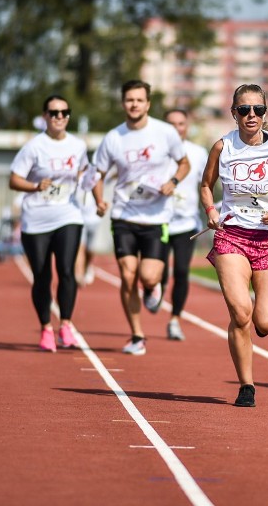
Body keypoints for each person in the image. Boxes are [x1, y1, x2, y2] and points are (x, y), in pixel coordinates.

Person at [199, 83, 268, 407]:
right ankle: (246, 385)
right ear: (234, 113)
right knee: (240, 312)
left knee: (266, 323)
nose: (251, 115)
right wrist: (211, 210)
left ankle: (256, 327)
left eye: (257, 110)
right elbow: (206, 184)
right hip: (232, 235)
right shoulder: (222, 147)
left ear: (264, 113)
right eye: (244, 110)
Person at [92, 80, 190, 356]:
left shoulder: (165, 132)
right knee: (127, 274)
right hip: (124, 214)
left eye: (139, 100)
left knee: (147, 276)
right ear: (123, 103)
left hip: (156, 216)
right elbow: (96, 173)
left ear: (147, 104)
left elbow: (184, 163)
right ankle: (137, 335)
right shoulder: (113, 138)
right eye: (129, 100)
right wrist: (99, 199)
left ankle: (152, 287)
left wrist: (173, 181)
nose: (134, 104)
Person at [9, 95, 89, 352]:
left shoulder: (77, 146)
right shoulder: (34, 147)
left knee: (66, 270)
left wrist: (96, 195)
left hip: (68, 214)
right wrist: (34, 186)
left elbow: (86, 174)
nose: (59, 117)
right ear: (45, 116)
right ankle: (46, 327)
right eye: (54, 113)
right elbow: (13, 180)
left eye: (64, 112)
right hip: (36, 219)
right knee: (42, 275)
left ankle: (65, 325)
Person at [159, 108, 209, 341]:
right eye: (171, 124)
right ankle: (154, 290)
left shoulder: (198, 153)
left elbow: (207, 185)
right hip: (157, 221)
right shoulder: (156, 151)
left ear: (187, 126)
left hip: (186, 223)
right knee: (156, 272)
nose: (177, 128)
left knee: (181, 272)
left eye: (181, 123)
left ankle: (175, 319)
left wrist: (211, 209)